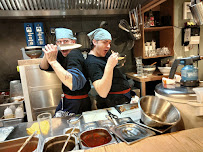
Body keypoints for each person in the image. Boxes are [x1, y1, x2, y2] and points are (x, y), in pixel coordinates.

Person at [40, 28, 91, 117]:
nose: (62, 44)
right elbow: (43, 67)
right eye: (59, 42)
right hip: (67, 99)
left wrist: (52, 61)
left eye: (66, 41)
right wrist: (47, 54)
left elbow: (73, 83)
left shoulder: (74, 53)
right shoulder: (61, 54)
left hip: (78, 102)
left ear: (73, 42)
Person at [85, 28, 131, 109]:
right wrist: (109, 66)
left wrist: (117, 63)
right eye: (104, 42)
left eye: (109, 43)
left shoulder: (103, 54)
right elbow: (102, 92)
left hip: (121, 100)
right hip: (111, 104)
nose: (108, 46)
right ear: (94, 42)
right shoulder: (92, 62)